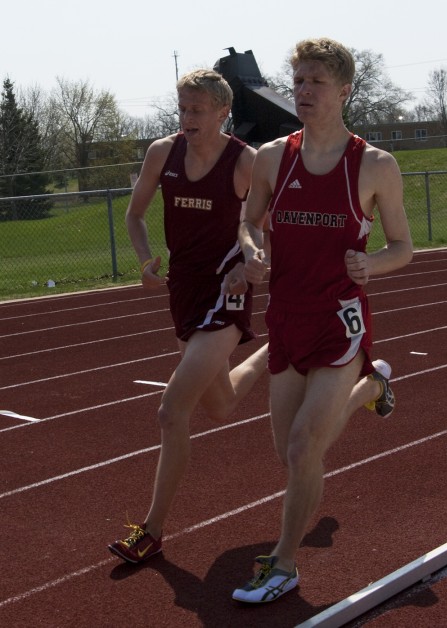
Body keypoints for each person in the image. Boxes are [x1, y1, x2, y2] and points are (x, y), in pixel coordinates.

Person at [231, 37, 413, 603]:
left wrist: (373, 262)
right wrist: (251, 249)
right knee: (290, 451)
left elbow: (404, 246)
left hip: (340, 319)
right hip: (285, 315)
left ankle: (283, 565)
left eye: (316, 82)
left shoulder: (375, 165)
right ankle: (372, 386)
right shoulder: (271, 157)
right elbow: (249, 222)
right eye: (299, 81)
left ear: (344, 90)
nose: (303, 91)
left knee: (307, 443)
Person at [108, 69, 268, 564]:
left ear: (224, 113)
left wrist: (251, 259)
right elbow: (135, 215)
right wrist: (143, 259)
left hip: (227, 289)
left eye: (197, 110)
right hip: (184, 288)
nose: (188, 118)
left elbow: (264, 224)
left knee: (171, 409)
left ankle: (152, 531)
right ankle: (276, 347)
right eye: (182, 108)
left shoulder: (246, 162)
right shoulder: (163, 152)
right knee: (218, 406)